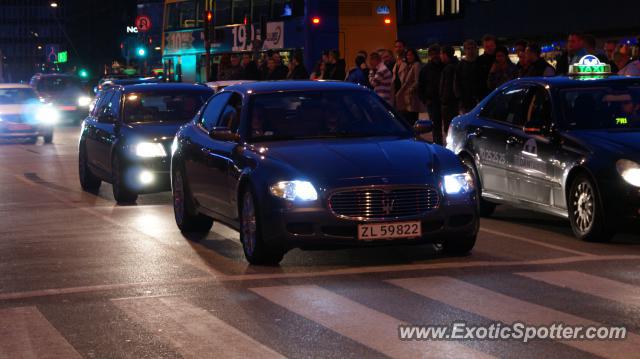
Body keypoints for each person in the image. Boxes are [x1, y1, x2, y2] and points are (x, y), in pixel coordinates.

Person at [418, 44, 444, 142]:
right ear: (429, 55)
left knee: (447, 126)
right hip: (432, 102)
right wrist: (425, 100)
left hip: (445, 101)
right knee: (435, 127)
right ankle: (438, 146)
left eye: (437, 53)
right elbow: (420, 86)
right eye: (432, 54)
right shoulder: (425, 69)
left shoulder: (445, 66)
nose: (435, 56)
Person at [394, 48, 422, 125]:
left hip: (412, 96)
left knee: (412, 119)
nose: (409, 57)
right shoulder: (409, 65)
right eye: (407, 55)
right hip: (407, 96)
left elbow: (417, 80)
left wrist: (410, 89)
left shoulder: (416, 65)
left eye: (411, 55)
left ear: (415, 56)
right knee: (407, 119)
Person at [455, 39, 482, 114]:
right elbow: (457, 82)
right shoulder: (461, 65)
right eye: (468, 48)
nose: (471, 51)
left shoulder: (480, 63)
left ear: (476, 49)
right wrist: (460, 98)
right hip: (465, 102)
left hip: (480, 100)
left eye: (472, 48)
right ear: (465, 50)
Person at [439, 46, 459, 145]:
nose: (440, 56)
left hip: (449, 103)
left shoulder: (449, 68)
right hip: (454, 102)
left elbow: (447, 87)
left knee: (449, 128)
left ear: (445, 55)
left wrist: (444, 100)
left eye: (441, 54)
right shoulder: (456, 65)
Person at [477, 34, 497, 98]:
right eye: (487, 46)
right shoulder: (479, 60)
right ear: (483, 47)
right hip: (484, 95)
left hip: (499, 93)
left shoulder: (499, 58)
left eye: (491, 45)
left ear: (495, 45)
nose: (489, 48)